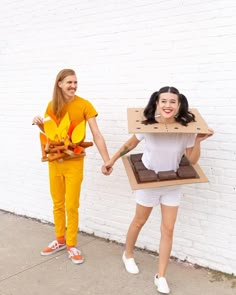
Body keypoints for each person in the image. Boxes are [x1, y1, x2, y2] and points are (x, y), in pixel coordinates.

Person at [103, 86, 214, 294]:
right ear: (157, 103)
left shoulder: (187, 129)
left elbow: (191, 160)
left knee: (168, 229)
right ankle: (127, 254)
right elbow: (129, 144)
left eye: (173, 101)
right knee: (139, 221)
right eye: (164, 101)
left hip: (172, 184)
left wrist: (198, 140)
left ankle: (161, 276)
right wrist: (111, 161)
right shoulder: (147, 126)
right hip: (149, 182)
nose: (168, 105)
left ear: (179, 105)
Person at [33, 69, 112, 264]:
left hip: (74, 164)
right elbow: (53, 135)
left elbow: (96, 134)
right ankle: (59, 239)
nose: (73, 86)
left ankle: (71, 244)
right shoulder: (52, 105)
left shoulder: (84, 105)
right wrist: (41, 125)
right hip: (55, 163)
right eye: (69, 82)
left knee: (71, 205)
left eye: (75, 82)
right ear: (59, 84)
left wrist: (106, 159)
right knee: (58, 204)